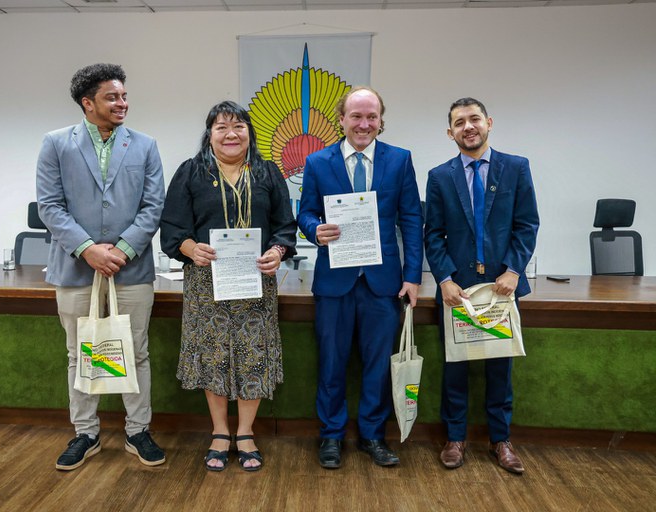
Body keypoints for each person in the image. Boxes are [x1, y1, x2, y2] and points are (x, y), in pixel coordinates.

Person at [36, 63, 166, 471]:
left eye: (124, 96)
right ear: (87, 103)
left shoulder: (144, 145)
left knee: (136, 352)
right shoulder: (56, 144)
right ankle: (86, 433)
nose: (122, 103)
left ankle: (137, 431)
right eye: (112, 97)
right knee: (80, 353)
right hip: (76, 270)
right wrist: (88, 249)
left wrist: (123, 249)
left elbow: (153, 206)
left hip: (131, 269)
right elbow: (50, 206)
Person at [160, 101, 297, 472]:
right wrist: (190, 247)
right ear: (209, 135)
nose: (230, 133)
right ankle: (220, 431)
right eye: (221, 127)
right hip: (207, 281)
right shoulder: (190, 173)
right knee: (214, 354)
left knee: (253, 354)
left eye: (238, 126)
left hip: (256, 280)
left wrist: (278, 249)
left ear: (249, 133)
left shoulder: (268, 172)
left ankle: (246, 432)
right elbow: (172, 229)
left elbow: (286, 224)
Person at [297, 87, 424, 469]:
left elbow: (412, 221)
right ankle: (331, 436)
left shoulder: (400, 161)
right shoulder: (318, 163)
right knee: (331, 364)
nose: (364, 124)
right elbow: (304, 215)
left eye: (371, 117)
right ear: (342, 119)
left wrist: (413, 275)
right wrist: (314, 229)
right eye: (356, 116)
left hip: (383, 283)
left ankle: (372, 435)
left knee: (377, 365)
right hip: (334, 282)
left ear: (381, 121)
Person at [424, 97, 539, 474]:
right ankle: (455, 438)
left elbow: (526, 225)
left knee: (499, 370)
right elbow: (434, 234)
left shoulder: (516, 168)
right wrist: (443, 278)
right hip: (458, 290)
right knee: (454, 367)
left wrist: (513, 271)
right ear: (450, 132)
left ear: (489, 122)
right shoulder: (440, 176)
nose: (468, 126)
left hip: (501, 289)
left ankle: (501, 440)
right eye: (460, 122)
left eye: (474, 119)